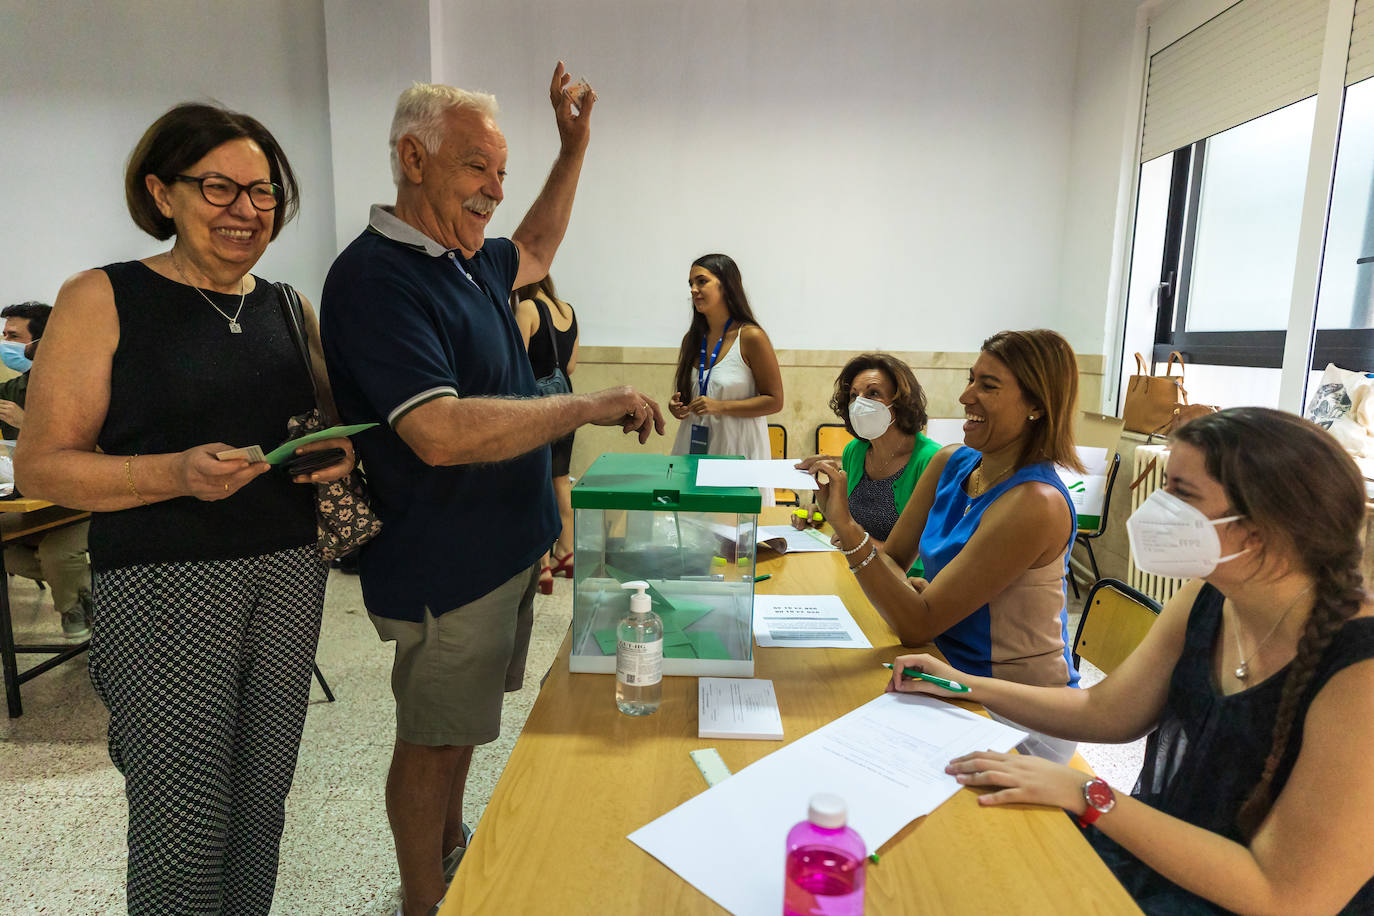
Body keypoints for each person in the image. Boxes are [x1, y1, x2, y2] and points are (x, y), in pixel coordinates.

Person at [319, 67, 664, 916]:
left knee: (467, 726)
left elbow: (538, 246)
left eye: (501, 174)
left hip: (503, 552)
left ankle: (449, 845)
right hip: (445, 567)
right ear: (413, 157)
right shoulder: (377, 278)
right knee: (433, 739)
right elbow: (436, 433)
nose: (495, 193)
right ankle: (423, 899)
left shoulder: (467, 260)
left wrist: (573, 148)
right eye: (478, 169)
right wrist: (584, 404)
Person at [14, 103, 356, 915]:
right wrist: (173, 472)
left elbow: (324, 428)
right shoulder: (103, 297)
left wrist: (339, 452)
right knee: (184, 822)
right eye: (219, 188)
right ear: (161, 193)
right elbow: (44, 464)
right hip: (166, 587)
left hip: (287, 577)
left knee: (260, 805)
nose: (246, 210)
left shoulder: (283, 305)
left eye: (264, 191)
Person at [889, 408, 1374, 914]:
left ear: (1257, 530)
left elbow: (1287, 896)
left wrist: (1088, 792)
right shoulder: (1208, 596)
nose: (1157, 508)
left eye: (1182, 494)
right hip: (1170, 858)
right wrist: (964, 685)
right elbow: (1106, 711)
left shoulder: (1361, 673)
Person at [810, 329, 1086, 761]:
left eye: (988, 386)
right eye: (970, 379)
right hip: (942, 669)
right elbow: (896, 561)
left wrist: (847, 527)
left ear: (1036, 405)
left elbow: (917, 624)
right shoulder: (951, 463)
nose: (965, 396)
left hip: (1014, 709)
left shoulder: (1036, 502)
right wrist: (916, 592)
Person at [798, 353, 940, 576]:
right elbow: (850, 523)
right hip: (855, 573)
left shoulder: (931, 460)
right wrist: (821, 510)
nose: (859, 404)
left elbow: (931, 557)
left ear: (901, 401)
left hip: (906, 588)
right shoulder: (855, 451)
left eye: (873, 393)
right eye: (854, 395)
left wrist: (862, 544)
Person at [0, 302, 94, 639]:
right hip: (35, 498)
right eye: (3, 334)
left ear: (42, 342)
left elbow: (98, 452)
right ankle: (87, 594)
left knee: (57, 553)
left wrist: (28, 425)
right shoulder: (16, 389)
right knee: (8, 552)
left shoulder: (84, 383)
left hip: (86, 499)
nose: (4, 342)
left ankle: (75, 609)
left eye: (13, 336)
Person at [667, 254, 783, 503]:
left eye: (701, 281)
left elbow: (774, 401)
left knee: (735, 533)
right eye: (691, 284)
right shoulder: (692, 339)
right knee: (692, 527)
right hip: (694, 447)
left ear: (726, 285)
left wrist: (720, 406)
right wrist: (678, 406)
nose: (694, 290)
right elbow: (691, 396)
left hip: (737, 451)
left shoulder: (751, 337)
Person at [514, 274, 579, 592]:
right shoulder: (568, 310)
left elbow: (515, 363)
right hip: (565, 405)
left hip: (537, 410)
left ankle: (543, 566)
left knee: (536, 484)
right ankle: (566, 553)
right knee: (561, 480)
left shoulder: (526, 307)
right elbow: (570, 368)